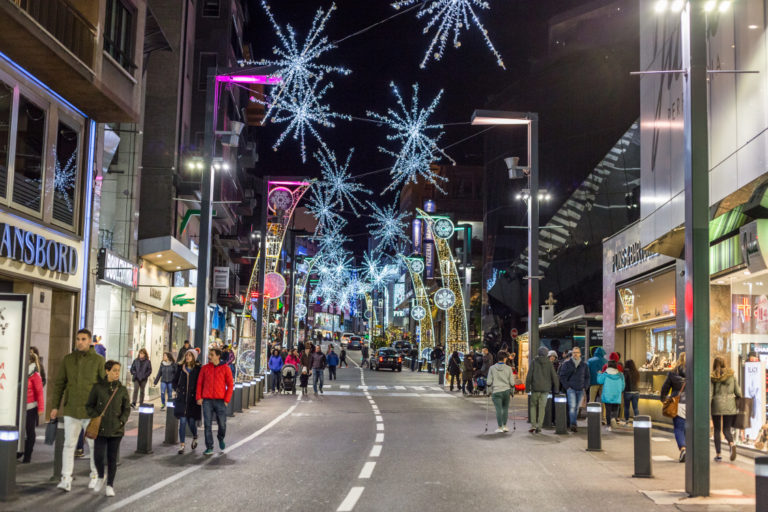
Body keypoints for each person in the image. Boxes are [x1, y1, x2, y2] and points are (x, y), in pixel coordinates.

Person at [50, 329, 106, 492]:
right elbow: (60, 383)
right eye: (77, 339)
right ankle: (65, 478)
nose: (79, 342)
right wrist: (55, 406)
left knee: (94, 445)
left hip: (91, 411)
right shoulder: (68, 360)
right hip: (71, 409)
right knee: (68, 445)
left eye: (83, 339)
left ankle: (95, 476)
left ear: (90, 341)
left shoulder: (98, 360)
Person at [85, 359, 130, 497]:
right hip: (101, 428)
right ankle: (100, 476)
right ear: (107, 371)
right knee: (98, 456)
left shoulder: (122, 390)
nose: (117, 373)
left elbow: (126, 409)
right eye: (114, 370)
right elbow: (89, 405)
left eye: (118, 371)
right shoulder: (98, 387)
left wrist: (121, 422)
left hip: (116, 430)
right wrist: (96, 416)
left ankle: (110, 485)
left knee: (112, 459)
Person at [196, 347, 234, 456]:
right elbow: (199, 383)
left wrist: (226, 400)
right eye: (209, 354)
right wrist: (199, 397)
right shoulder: (205, 368)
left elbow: (230, 385)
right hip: (207, 400)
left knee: (222, 424)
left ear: (218, 356)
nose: (209, 357)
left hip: (220, 401)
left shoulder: (225, 368)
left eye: (212, 355)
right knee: (207, 424)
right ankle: (209, 447)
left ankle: (220, 437)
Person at [711, 355, 741, 462]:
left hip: (716, 405)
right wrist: (737, 401)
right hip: (730, 404)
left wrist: (708, 405)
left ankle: (718, 454)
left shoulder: (713, 376)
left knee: (717, 429)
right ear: (724, 363)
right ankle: (731, 444)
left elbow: (710, 393)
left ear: (714, 364)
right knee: (726, 429)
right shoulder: (731, 375)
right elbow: (738, 392)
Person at [660, 352, 687, 463]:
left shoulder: (673, 373)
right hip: (693, 403)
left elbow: (665, 387)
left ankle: (683, 448)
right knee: (688, 428)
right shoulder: (694, 371)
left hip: (678, 403)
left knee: (679, 428)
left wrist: (663, 399)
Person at [526, 346, 560, 434]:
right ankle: (539, 426)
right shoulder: (549, 363)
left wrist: (527, 388)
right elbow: (554, 376)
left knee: (533, 406)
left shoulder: (534, 362)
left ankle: (533, 425)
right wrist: (556, 388)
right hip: (545, 389)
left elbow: (529, 376)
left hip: (535, 388)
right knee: (542, 408)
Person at [174, 349, 201, 454]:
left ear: (194, 357)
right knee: (183, 421)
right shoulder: (181, 368)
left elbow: (200, 383)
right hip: (181, 399)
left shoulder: (198, 369)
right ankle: (182, 445)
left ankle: (195, 436)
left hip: (192, 400)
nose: (188, 357)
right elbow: (174, 381)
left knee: (191, 422)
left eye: (190, 355)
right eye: (187, 355)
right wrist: (177, 389)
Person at [559, 346, 590, 432]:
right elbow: (562, 376)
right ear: (572, 354)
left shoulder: (584, 365)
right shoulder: (567, 364)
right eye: (574, 352)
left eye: (577, 352)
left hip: (580, 388)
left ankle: (573, 422)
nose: (575, 354)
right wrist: (567, 387)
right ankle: (573, 424)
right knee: (572, 407)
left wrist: (585, 386)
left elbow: (587, 377)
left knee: (576, 407)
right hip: (571, 389)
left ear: (580, 354)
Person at [21, 351, 44, 463]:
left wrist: (41, 409)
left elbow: (39, 392)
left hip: (31, 408)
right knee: (19, 430)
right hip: (20, 408)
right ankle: (19, 452)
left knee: (30, 431)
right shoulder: (20, 372)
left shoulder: (35, 375)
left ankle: (27, 455)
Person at [487, 350, 515, 433]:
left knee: (498, 409)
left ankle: (500, 427)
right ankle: (505, 426)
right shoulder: (509, 368)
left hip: (496, 391)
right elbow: (512, 382)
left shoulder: (492, 368)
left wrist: (488, 391)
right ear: (505, 359)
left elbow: (489, 382)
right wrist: (512, 391)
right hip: (506, 390)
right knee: (505, 408)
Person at [597, 359, 625, 430]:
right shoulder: (621, 375)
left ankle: (609, 425)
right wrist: (619, 390)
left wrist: (599, 374)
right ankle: (613, 418)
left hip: (607, 395)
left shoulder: (605, 374)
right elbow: (623, 386)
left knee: (608, 410)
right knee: (615, 409)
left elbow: (599, 381)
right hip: (616, 395)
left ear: (608, 366)